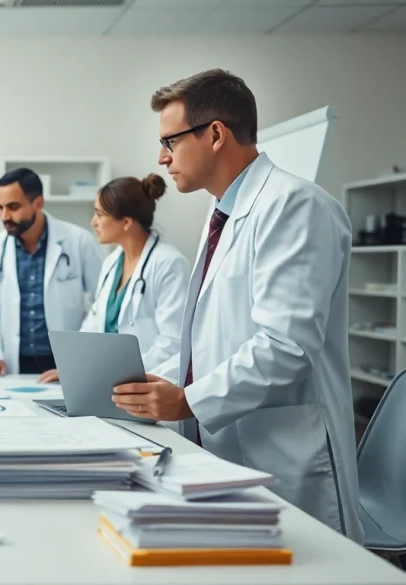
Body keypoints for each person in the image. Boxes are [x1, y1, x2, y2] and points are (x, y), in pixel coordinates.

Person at [112, 69, 364, 543]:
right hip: (225, 448)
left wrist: (188, 399)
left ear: (214, 135)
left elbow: (285, 347)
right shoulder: (223, 210)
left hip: (285, 456)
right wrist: (160, 382)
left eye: (169, 140)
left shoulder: (295, 206)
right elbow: (209, 332)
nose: (161, 158)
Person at [38, 174, 190, 383]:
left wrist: (125, 375)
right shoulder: (111, 263)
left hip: (149, 384)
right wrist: (72, 367)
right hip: (109, 384)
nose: (94, 222)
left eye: (99, 215)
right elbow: (95, 322)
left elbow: (173, 341)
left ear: (126, 222)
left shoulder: (169, 264)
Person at [0, 168, 102, 378]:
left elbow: (102, 302)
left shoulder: (78, 240)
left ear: (38, 203)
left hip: (65, 361)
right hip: (13, 363)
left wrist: (81, 356)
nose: (4, 216)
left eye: (13, 207)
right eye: (0, 208)